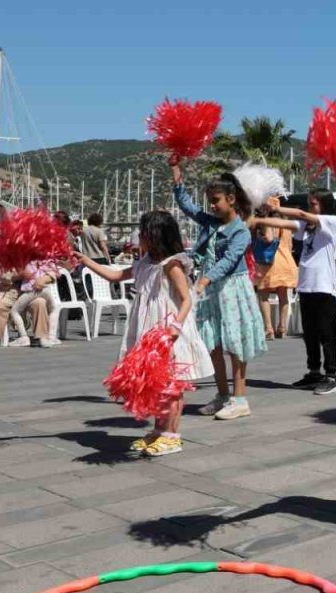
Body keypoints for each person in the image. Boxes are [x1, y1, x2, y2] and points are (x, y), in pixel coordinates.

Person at [76, 211, 213, 456]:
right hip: (148, 328)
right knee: (156, 382)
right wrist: (86, 261)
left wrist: (176, 327)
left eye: (143, 232)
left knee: (171, 383)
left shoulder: (172, 264)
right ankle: (159, 431)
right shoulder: (144, 263)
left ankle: (172, 435)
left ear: (155, 235)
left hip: (167, 329)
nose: (139, 236)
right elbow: (116, 275)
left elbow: (186, 300)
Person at [172, 158, 268, 419]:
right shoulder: (210, 223)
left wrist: (204, 279)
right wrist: (177, 173)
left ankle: (240, 398)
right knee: (212, 343)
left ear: (232, 199)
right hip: (212, 290)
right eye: (210, 201)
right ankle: (222, 394)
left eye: (216, 200)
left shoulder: (241, 231)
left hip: (231, 289)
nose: (212, 206)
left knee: (235, 344)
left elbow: (229, 260)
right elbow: (187, 206)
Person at [273, 189, 336, 395]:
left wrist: (277, 207)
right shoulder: (307, 228)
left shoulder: (331, 221)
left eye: (313, 204)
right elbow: (284, 223)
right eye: (309, 203)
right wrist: (259, 220)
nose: (309, 208)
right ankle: (314, 372)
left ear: (324, 206)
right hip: (306, 286)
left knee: (326, 334)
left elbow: (301, 215)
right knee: (310, 333)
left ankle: (331, 376)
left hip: (323, 288)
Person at [252, 207, 298, 340]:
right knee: (283, 295)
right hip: (286, 261)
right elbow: (289, 246)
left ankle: (268, 328)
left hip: (269, 262)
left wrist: (258, 234)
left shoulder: (268, 223)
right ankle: (282, 328)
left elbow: (268, 238)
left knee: (263, 294)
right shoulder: (287, 227)